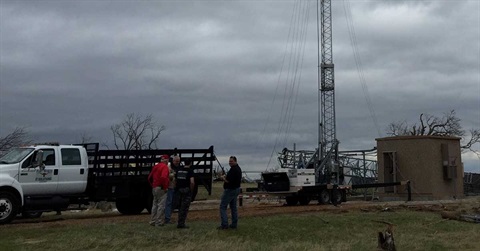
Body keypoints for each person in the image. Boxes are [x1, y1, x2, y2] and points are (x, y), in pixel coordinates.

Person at [218, 156, 242, 230]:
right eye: (229, 161)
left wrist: (222, 178)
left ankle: (224, 224)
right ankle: (234, 224)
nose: (230, 162)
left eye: (231, 161)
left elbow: (228, 181)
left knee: (223, 206)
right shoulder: (238, 169)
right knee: (233, 207)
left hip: (230, 190)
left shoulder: (234, 170)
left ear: (235, 161)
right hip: (236, 189)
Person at [148, 154, 170, 227]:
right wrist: (165, 187)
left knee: (155, 204)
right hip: (161, 188)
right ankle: (159, 222)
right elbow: (163, 177)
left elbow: (149, 177)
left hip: (154, 187)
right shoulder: (165, 167)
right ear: (166, 160)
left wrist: (153, 185)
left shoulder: (155, 166)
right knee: (161, 205)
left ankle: (152, 220)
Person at [175, 158, 195, 229]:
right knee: (185, 207)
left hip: (179, 190)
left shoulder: (179, 170)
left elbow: (175, 180)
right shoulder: (190, 171)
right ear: (190, 163)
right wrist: (191, 190)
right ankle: (181, 224)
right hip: (186, 190)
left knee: (180, 207)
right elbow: (192, 182)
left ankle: (179, 222)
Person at [165, 155, 181, 224]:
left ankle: (168, 216)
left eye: (178, 161)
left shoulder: (179, 167)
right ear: (173, 161)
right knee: (169, 203)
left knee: (174, 203)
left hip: (176, 187)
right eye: (176, 161)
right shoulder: (169, 167)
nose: (177, 162)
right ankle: (167, 218)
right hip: (170, 187)